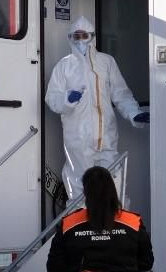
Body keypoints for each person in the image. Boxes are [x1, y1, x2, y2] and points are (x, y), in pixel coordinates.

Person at [44, 15, 148, 199]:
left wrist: (134, 113)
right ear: (70, 38)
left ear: (92, 36)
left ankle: (115, 224)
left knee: (114, 180)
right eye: (76, 36)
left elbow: (120, 93)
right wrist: (67, 99)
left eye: (85, 35)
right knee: (78, 182)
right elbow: (51, 99)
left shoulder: (106, 62)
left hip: (106, 135)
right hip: (78, 138)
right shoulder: (64, 66)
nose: (81, 40)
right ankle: (79, 223)